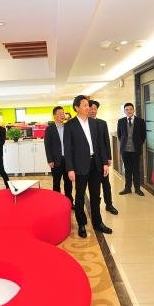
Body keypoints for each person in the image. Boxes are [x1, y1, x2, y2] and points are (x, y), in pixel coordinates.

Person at [63, 94, 113, 239]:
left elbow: (100, 145)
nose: (88, 107)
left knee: (96, 196)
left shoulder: (94, 123)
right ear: (76, 108)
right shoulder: (70, 125)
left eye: (88, 105)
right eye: (85, 105)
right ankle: (82, 224)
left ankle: (98, 223)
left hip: (96, 164)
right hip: (79, 166)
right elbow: (68, 149)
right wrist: (70, 169)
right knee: (79, 197)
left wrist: (104, 163)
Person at [88, 99, 118, 216]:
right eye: (91, 109)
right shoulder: (84, 125)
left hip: (102, 159)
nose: (93, 111)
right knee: (93, 186)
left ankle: (109, 204)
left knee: (106, 183)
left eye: (95, 109)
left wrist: (109, 158)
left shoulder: (102, 123)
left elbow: (106, 142)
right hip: (90, 161)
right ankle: (95, 204)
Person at [43, 106, 73, 204]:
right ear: (54, 116)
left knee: (68, 183)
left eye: (63, 113)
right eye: (60, 113)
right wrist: (50, 160)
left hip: (68, 160)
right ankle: (56, 202)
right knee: (56, 182)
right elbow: (47, 145)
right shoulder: (49, 129)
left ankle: (69, 201)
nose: (62, 115)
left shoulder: (68, 127)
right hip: (56, 161)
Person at [117, 102, 145, 195]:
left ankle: (137, 189)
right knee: (127, 170)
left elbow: (143, 136)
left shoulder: (140, 121)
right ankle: (127, 188)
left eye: (130, 109)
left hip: (136, 150)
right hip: (125, 151)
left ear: (134, 110)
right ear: (124, 111)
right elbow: (120, 135)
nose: (129, 111)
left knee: (136, 170)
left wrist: (137, 144)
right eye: (127, 110)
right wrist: (125, 144)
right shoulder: (121, 121)